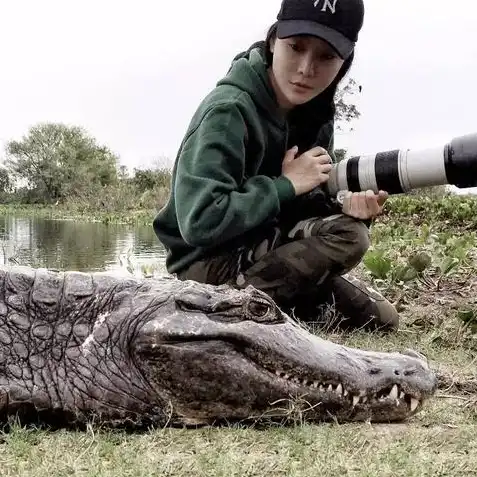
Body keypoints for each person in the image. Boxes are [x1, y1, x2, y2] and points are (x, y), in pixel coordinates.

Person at [153, 0, 400, 331]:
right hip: (209, 263)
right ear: (273, 41)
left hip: (270, 248)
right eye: (295, 47)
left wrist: (347, 208)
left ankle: (274, 304)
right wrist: (284, 184)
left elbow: (302, 207)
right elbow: (199, 222)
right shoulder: (228, 111)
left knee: (381, 318)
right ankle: (224, 310)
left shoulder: (316, 117)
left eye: (326, 56)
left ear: (344, 63)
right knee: (351, 239)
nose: (305, 68)